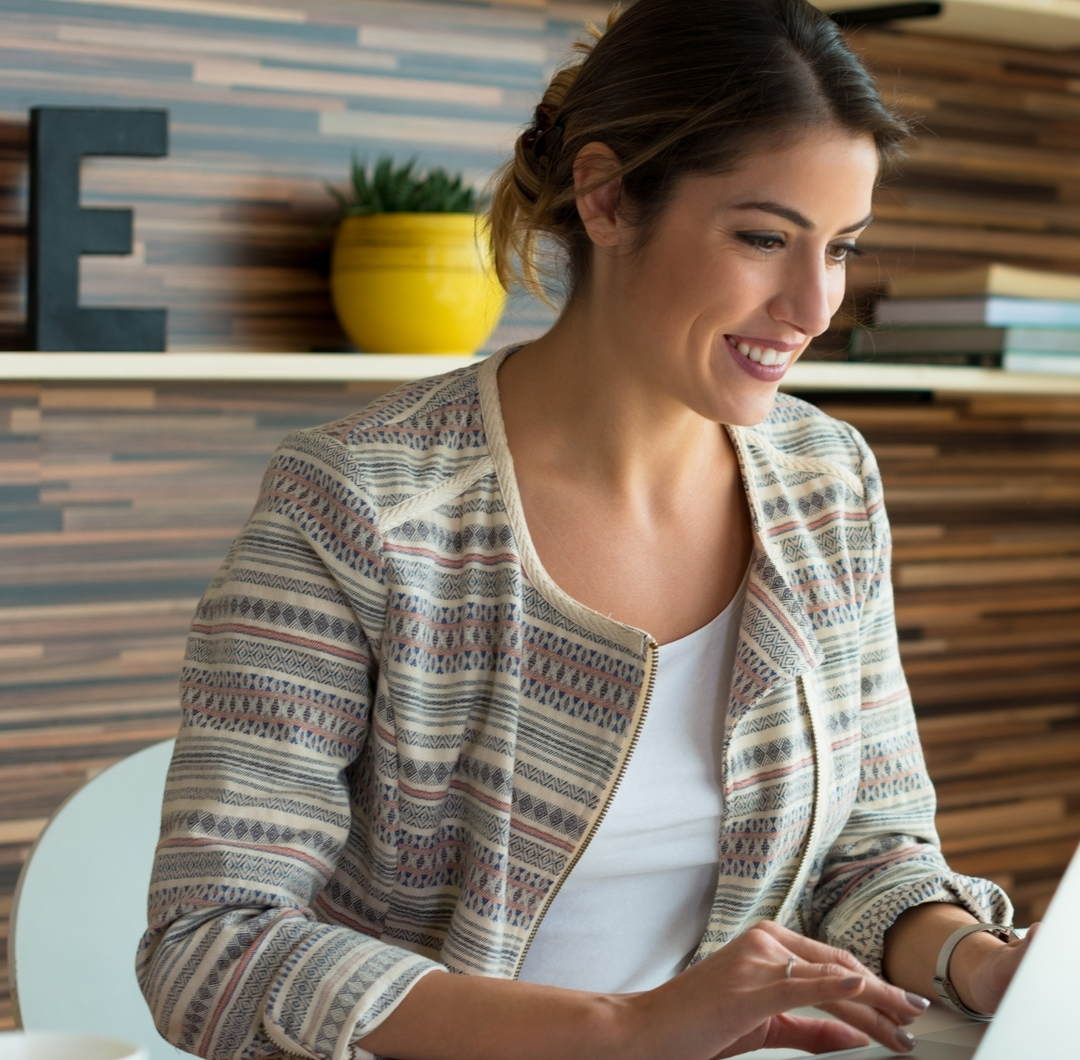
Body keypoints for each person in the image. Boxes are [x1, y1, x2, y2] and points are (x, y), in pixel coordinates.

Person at [134, 2, 1034, 1057]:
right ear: (606, 199)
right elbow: (211, 941)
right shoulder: (359, 504)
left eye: (839, 248)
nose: (812, 305)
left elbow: (867, 855)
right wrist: (627, 1030)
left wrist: (977, 960)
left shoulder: (823, 483)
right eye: (761, 238)